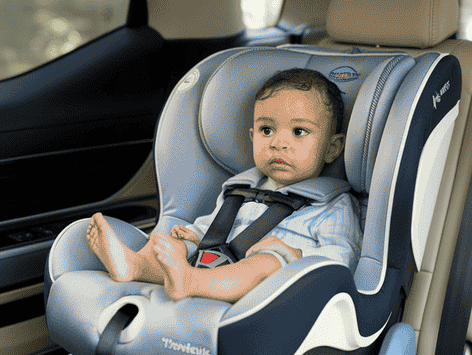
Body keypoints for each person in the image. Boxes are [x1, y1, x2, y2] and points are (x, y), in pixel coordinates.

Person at [85, 68, 362, 303]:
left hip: (276, 288)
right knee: (171, 243)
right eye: (267, 130)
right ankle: (134, 265)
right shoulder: (239, 190)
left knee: (266, 262)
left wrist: (297, 254)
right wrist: (193, 235)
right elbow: (215, 226)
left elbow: (344, 256)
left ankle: (189, 282)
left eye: (299, 131)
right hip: (218, 262)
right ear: (253, 136)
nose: (278, 142)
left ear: (332, 148)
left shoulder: (334, 204)